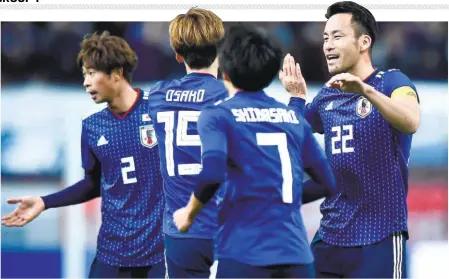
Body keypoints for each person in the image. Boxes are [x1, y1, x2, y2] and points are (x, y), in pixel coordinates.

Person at [173, 23, 337, 278]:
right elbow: (327, 183)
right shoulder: (292, 119)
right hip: (296, 258)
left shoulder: (218, 116)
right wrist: (279, 199)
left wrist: (188, 213)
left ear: (224, 71)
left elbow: (212, 174)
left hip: (243, 255)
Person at [2, 31, 166, 278]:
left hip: (154, 259)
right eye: (84, 75)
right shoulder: (92, 126)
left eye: (92, 74)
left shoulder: (159, 113)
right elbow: (93, 184)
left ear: (117, 73)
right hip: (110, 257)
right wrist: (46, 202)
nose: (86, 83)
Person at [280, 1, 420, 278]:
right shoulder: (328, 95)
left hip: (379, 238)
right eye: (325, 38)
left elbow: (411, 120)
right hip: (331, 238)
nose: (328, 45)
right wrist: (296, 98)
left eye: (337, 36)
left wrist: (366, 91)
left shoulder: (392, 82)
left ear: (364, 42)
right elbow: (289, 140)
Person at [146, 8, 228, 279]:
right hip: (229, 228)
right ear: (218, 49)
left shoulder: (158, 95)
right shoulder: (230, 96)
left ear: (178, 55)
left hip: (181, 230)